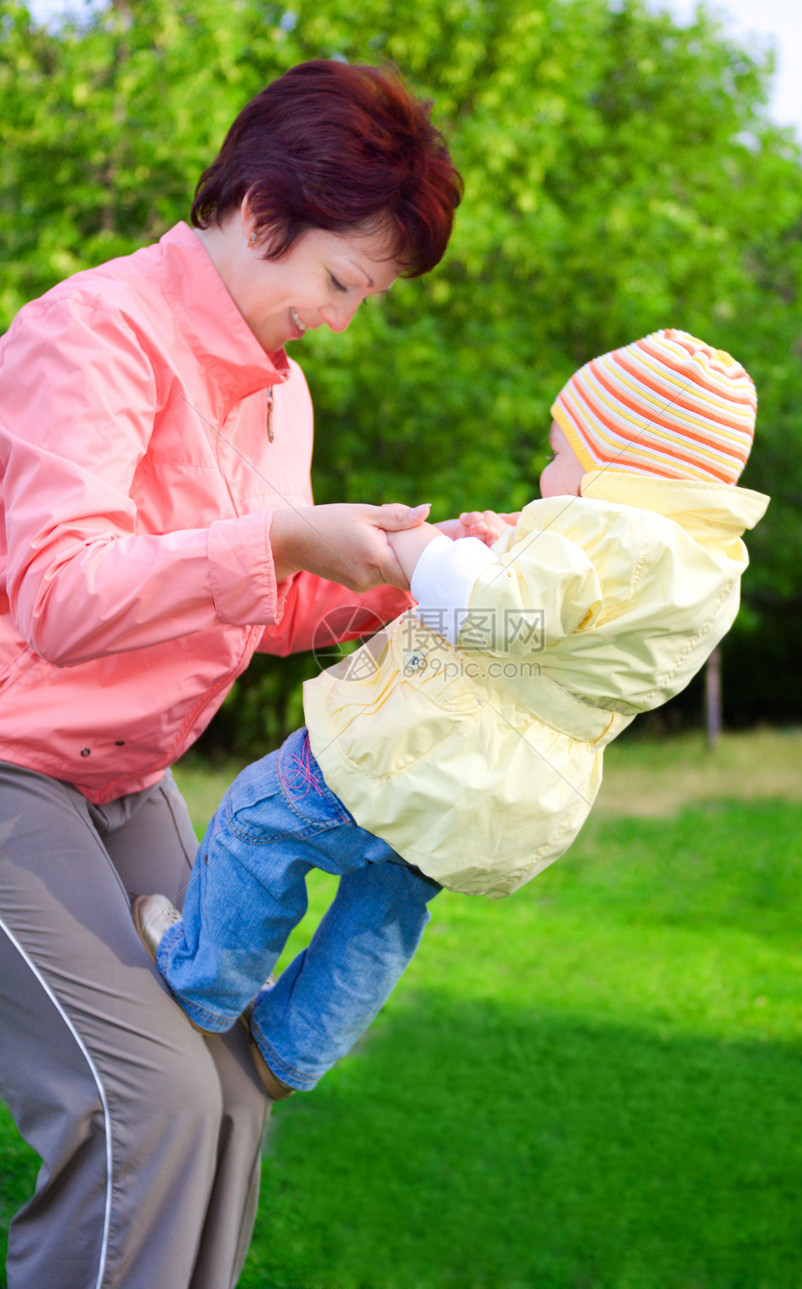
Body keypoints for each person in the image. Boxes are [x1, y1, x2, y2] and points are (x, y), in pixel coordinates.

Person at [0, 59, 462, 1289]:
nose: (341, 319)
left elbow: (261, 602)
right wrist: (275, 537)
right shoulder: (88, 333)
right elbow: (59, 593)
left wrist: (417, 575)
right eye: (339, 281)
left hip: (127, 782)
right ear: (261, 212)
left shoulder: (280, 393)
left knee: (232, 1083)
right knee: (142, 1102)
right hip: (13, 767)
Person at [133, 328, 770, 1101]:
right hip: (504, 795)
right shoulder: (698, 571)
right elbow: (563, 628)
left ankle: (204, 980)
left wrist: (412, 556)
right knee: (385, 907)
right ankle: (288, 1050)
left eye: (559, 454)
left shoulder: (605, 531)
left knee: (263, 817)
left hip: (422, 745)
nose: (545, 473)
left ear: (618, 463)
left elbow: (491, 615)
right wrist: (507, 549)